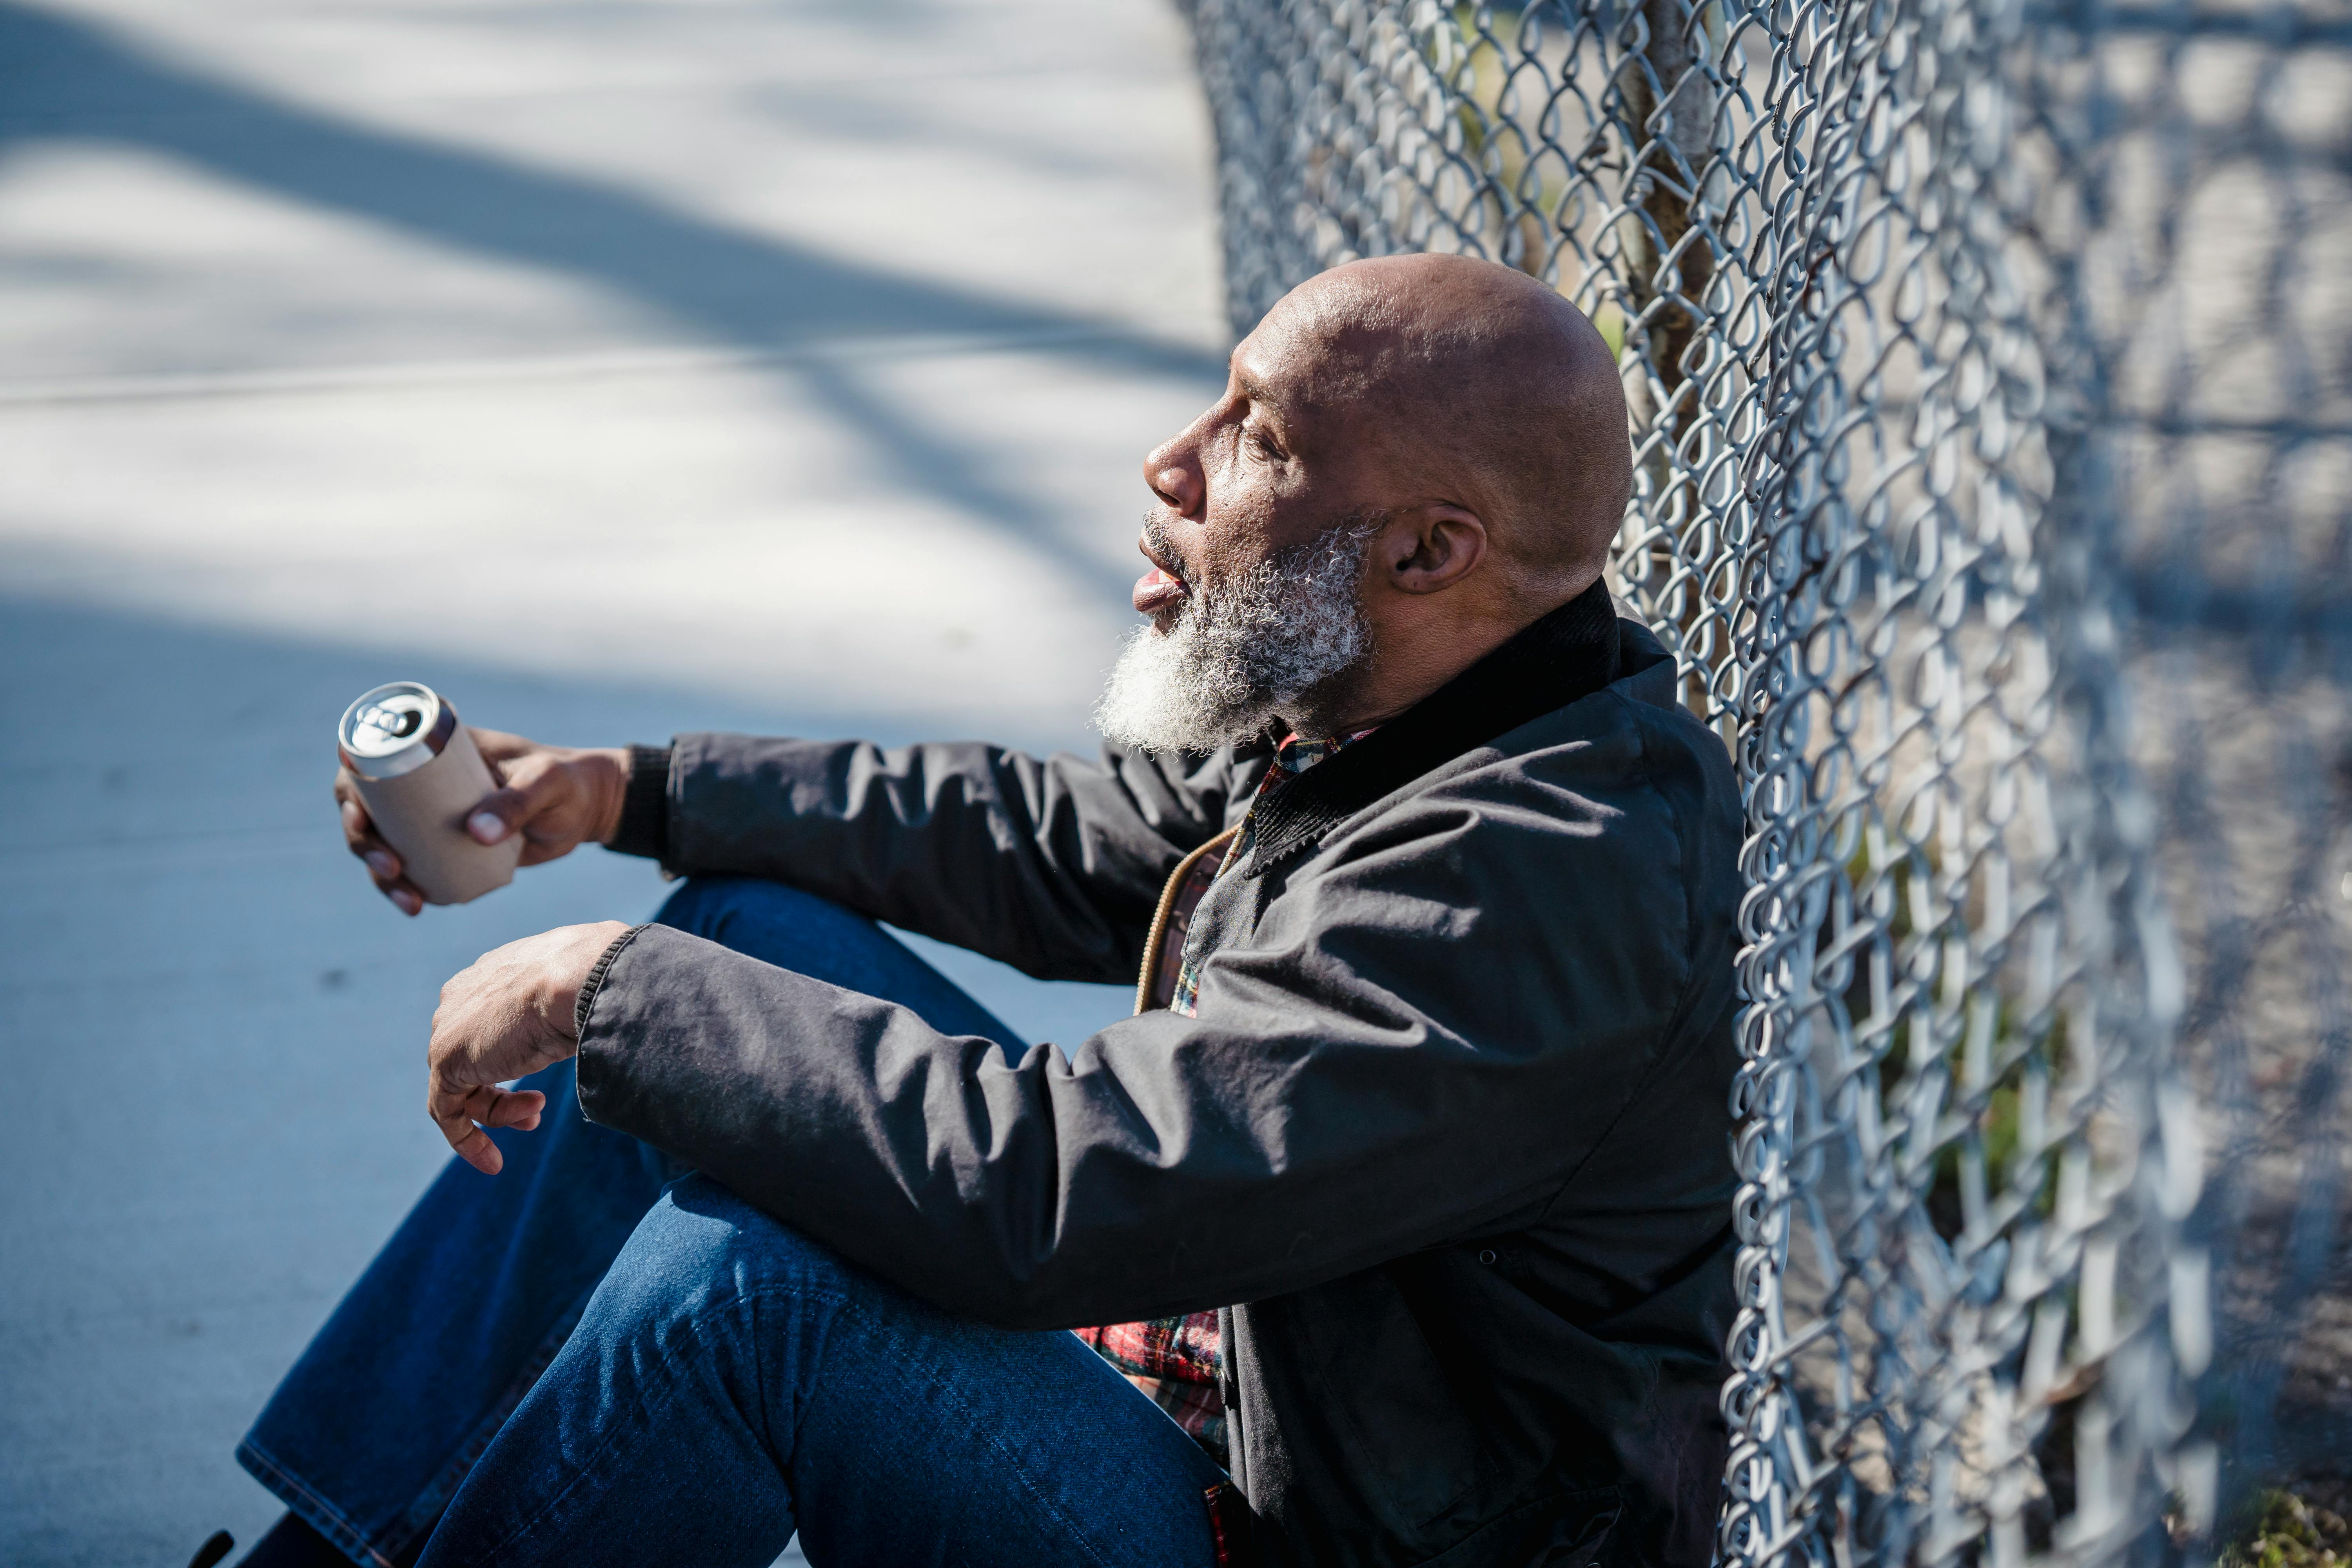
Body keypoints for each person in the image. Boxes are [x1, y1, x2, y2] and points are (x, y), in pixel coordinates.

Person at [220, 253, 1741, 1568]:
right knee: (749, 948)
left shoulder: (1537, 880)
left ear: (1426, 550)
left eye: (1256, 436)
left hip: (1307, 1530)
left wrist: (608, 989)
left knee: (755, 1295)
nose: (1173, 462)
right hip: (1237, 1382)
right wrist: (622, 792)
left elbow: (1057, 1193)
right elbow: (1068, 837)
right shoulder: (1420, 712)